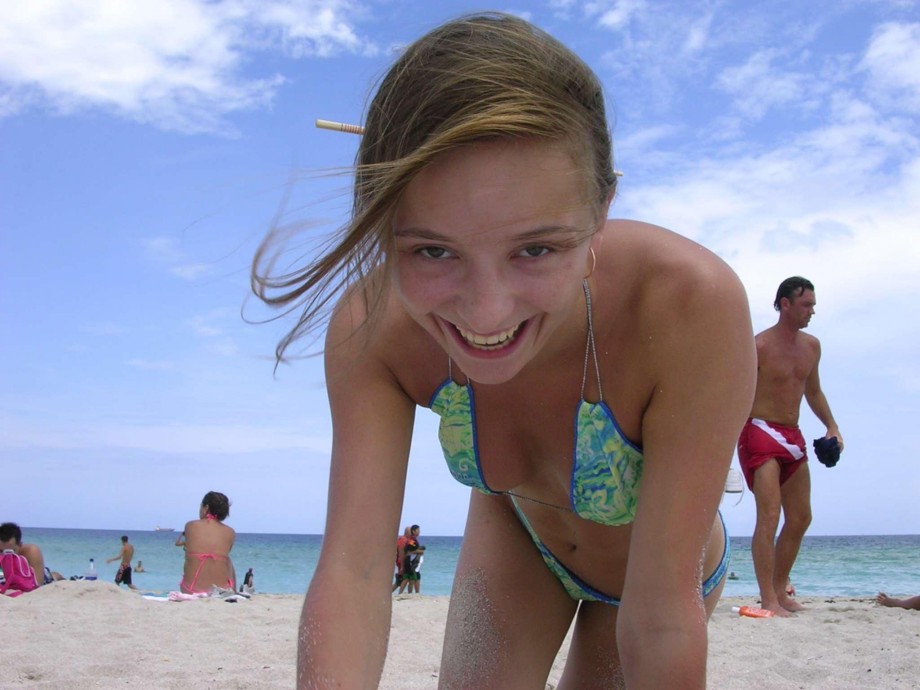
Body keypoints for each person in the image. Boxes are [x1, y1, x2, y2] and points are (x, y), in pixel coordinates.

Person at [251, 12, 755, 688]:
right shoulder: (374, 329)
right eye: (432, 250)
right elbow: (354, 573)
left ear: (602, 206)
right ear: (381, 221)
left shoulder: (688, 304)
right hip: (520, 541)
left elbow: (659, 618)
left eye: (536, 249)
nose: (486, 312)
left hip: (660, 578)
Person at [737, 276, 843, 617]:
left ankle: (781, 592)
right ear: (785, 304)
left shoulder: (812, 346)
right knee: (769, 515)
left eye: (812, 304)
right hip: (759, 432)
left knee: (800, 517)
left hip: (793, 435)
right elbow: (735, 394)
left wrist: (831, 425)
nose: (812, 311)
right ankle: (767, 597)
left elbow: (813, 392)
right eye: (806, 304)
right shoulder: (759, 346)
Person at [180, 491, 236, 594]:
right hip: (220, 592)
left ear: (206, 508)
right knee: (227, 560)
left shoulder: (190, 526)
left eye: (201, 506)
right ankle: (234, 591)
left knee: (190, 557)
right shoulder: (230, 532)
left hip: (190, 590)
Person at [0, 522, 62, 587]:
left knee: (52, 577)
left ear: (20, 545)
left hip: (39, 576)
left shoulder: (31, 551)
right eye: (0, 551)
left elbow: (38, 584)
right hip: (11, 577)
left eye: (9, 551)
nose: (4, 555)